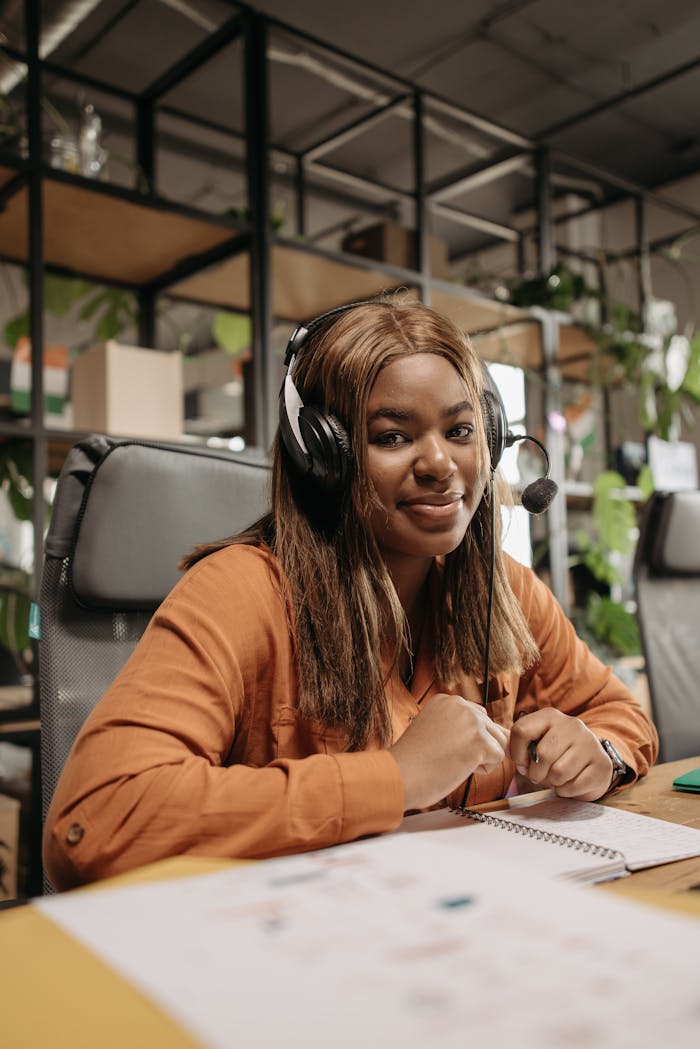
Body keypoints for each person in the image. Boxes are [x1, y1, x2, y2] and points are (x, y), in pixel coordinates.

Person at [43, 298, 658, 891]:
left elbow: (621, 716)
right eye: (393, 437)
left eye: (461, 429)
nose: (442, 463)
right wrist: (393, 778)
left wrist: (600, 753)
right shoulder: (240, 592)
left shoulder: (503, 589)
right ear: (324, 456)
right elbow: (92, 822)